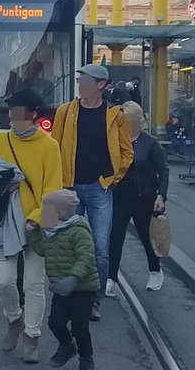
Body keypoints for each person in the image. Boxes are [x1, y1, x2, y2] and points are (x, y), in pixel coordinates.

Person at [51, 63, 133, 322]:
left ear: (101, 85)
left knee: (100, 247)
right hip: (70, 187)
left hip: (99, 188)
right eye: (80, 80)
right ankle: (67, 294)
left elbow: (126, 151)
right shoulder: (65, 113)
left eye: (86, 80)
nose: (81, 85)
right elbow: (54, 146)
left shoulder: (114, 115)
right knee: (66, 245)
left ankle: (93, 301)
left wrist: (112, 178)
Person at [0, 87, 63, 364]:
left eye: (18, 112)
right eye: (10, 111)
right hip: (5, 222)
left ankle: (32, 338)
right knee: (3, 280)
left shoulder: (49, 146)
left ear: (33, 115)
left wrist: (36, 219)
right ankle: (14, 319)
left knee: (33, 283)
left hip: (38, 224)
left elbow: (54, 189)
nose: (12, 117)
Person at [106, 101, 168, 294]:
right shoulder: (115, 140)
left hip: (144, 197)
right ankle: (111, 277)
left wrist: (161, 196)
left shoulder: (149, 143)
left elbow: (163, 170)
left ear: (140, 121)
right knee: (115, 237)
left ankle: (155, 270)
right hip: (120, 196)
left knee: (146, 237)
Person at [39, 189, 100, 370]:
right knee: (54, 323)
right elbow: (41, 250)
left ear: (61, 213)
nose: (44, 214)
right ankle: (67, 346)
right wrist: (33, 233)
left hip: (82, 289)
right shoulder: (50, 230)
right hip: (61, 289)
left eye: (48, 211)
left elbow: (86, 257)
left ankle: (86, 358)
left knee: (80, 327)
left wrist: (73, 277)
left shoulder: (79, 231)